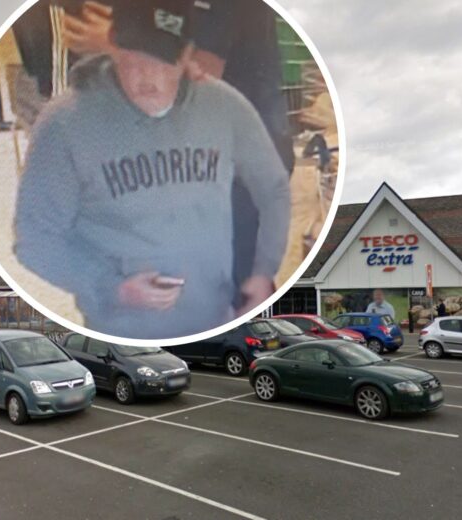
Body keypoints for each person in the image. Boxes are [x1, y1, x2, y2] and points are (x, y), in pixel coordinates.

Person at [15, 0, 290, 339]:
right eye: (135, 62)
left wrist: (263, 270)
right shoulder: (65, 123)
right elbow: (36, 238)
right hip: (123, 332)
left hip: (219, 293)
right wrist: (112, 287)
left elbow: (272, 185)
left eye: (164, 62)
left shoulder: (223, 102)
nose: (150, 78)